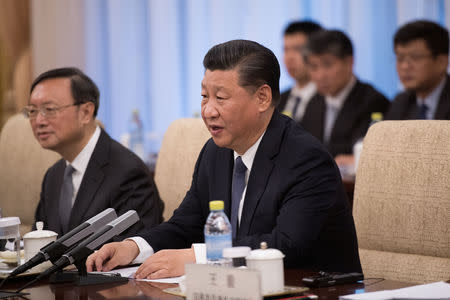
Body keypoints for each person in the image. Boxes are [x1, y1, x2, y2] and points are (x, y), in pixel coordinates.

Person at [86, 40, 362, 279]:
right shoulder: (215, 152)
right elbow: (186, 224)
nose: (208, 111)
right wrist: (133, 247)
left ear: (263, 98)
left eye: (220, 97)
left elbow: (286, 245)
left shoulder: (306, 159)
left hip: (311, 289)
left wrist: (199, 257)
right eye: (205, 96)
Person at [26, 67, 164, 237]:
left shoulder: (128, 173)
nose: (39, 120)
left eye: (50, 109)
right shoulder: (53, 176)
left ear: (85, 112)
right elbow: (39, 243)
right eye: (32, 111)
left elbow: (133, 250)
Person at [301, 30, 390, 166]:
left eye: (327, 65)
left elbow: (367, 153)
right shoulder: (314, 102)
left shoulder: (373, 101)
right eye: (314, 67)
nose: (320, 75)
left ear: (349, 62)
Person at [386, 20, 450, 120]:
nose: (405, 66)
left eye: (415, 57)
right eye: (400, 58)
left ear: (442, 62)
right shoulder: (400, 103)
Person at [278, 20, 322, 122]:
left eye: (298, 49)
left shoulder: (328, 100)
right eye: (286, 50)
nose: (289, 57)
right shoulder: (278, 100)